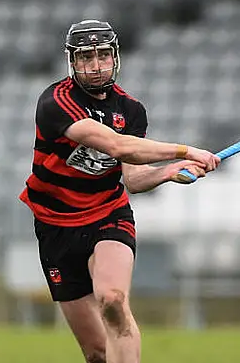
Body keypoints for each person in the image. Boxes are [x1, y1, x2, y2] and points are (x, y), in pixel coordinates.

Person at [18, 19, 220, 363]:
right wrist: (185, 152)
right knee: (97, 352)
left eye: (102, 56)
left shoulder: (131, 111)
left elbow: (134, 179)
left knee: (112, 299)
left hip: (108, 215)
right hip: (55, 226)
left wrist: (167, 173)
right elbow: (115, 145)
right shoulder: (55, 101)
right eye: (85, 58)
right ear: (72, 62)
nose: (95, 66)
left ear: (115, 57)